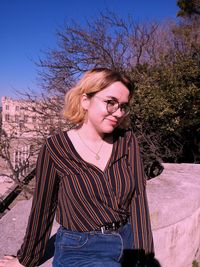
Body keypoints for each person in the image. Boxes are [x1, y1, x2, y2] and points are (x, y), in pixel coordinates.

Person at [0, 68, 155, 267]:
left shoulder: (127, 141)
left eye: (123, 106)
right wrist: (26, 259)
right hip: (81, 249)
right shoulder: (55, 148)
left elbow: (138, 200)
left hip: (127, 242)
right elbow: (43, 208)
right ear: (85, 100)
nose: (118, 113)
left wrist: (146, 258)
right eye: (111, 102)